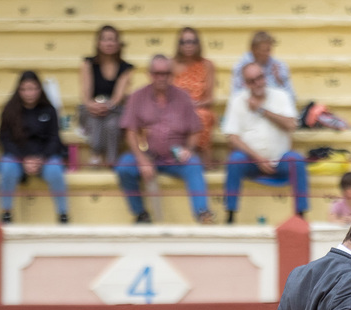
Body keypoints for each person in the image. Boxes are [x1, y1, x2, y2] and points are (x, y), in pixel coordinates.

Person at [116, 55, 215, 224]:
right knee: (124, 166)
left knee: (194, 163)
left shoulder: (183, 97)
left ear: (171, 74)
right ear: (149, 74)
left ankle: (202, 213)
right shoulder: (137, 97)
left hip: (176, 157)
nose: (161, 77)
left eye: (165, 73)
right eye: (157, 73)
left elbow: (195, 131)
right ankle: (141, 214)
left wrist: (188, 150)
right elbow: (130, 132)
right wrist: (141, 159)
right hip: (148, 154)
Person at [222, 61, 309, 223]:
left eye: (260, 77)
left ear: (265, 76)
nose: (257, 83)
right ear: (245, 83)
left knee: (296, 160)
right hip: (251, 161)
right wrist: (258, 158)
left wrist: (262, 110)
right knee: (234, 160)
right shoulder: (238, 100)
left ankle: (300, 217)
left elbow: (291, 124)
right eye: (252, 80)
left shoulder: (281, 95)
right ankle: (230, 215)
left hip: (280, 159)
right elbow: (232, 136)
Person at [0, 70, 68, 224]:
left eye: (32, 88)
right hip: (18, 157)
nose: (29, 93)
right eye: (24, 89)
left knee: (56, 169)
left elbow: (54, 139)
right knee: (7, 167)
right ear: (19, 90)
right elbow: (4, 140)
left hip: (44, 157)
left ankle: (63, 214)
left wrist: (40, 159)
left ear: (39, 89)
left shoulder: (49, 110)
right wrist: (23, 159)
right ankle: (6, 212)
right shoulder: (9, 110)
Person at [77, 25, 133, 166]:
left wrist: (107, 106)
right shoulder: (87, 63)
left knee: (112, 123)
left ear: (118, 43)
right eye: (105, 39)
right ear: (98, 42)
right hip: (91, 109)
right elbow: (86, 94)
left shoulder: (126, 67)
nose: (109, 43)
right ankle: (96, 153)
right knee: (95, 118)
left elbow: (118, 96)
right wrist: (93, 106)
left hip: (114, 109)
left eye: (112, 40)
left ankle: (110, 159)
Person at [172, 27, 216, 168]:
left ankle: (204, 160)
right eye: (184, 42)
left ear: (198, 44)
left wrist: (195, 104)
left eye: (192, 42)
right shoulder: (171, 65)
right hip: (176, 109)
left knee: (202, 116)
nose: (188, 45)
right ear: (179, 45)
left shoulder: (207, 65)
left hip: (199, 107)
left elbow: (210, 99)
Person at [231, 31, 294, 101]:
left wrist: (279, 81)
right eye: (263, 51)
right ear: (253, 50)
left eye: (269, 50)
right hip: (249, 107)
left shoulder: (279, 66)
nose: (267, 54)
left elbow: (291, 98)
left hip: (275, 107)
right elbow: (236, 96)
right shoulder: (241, 68)